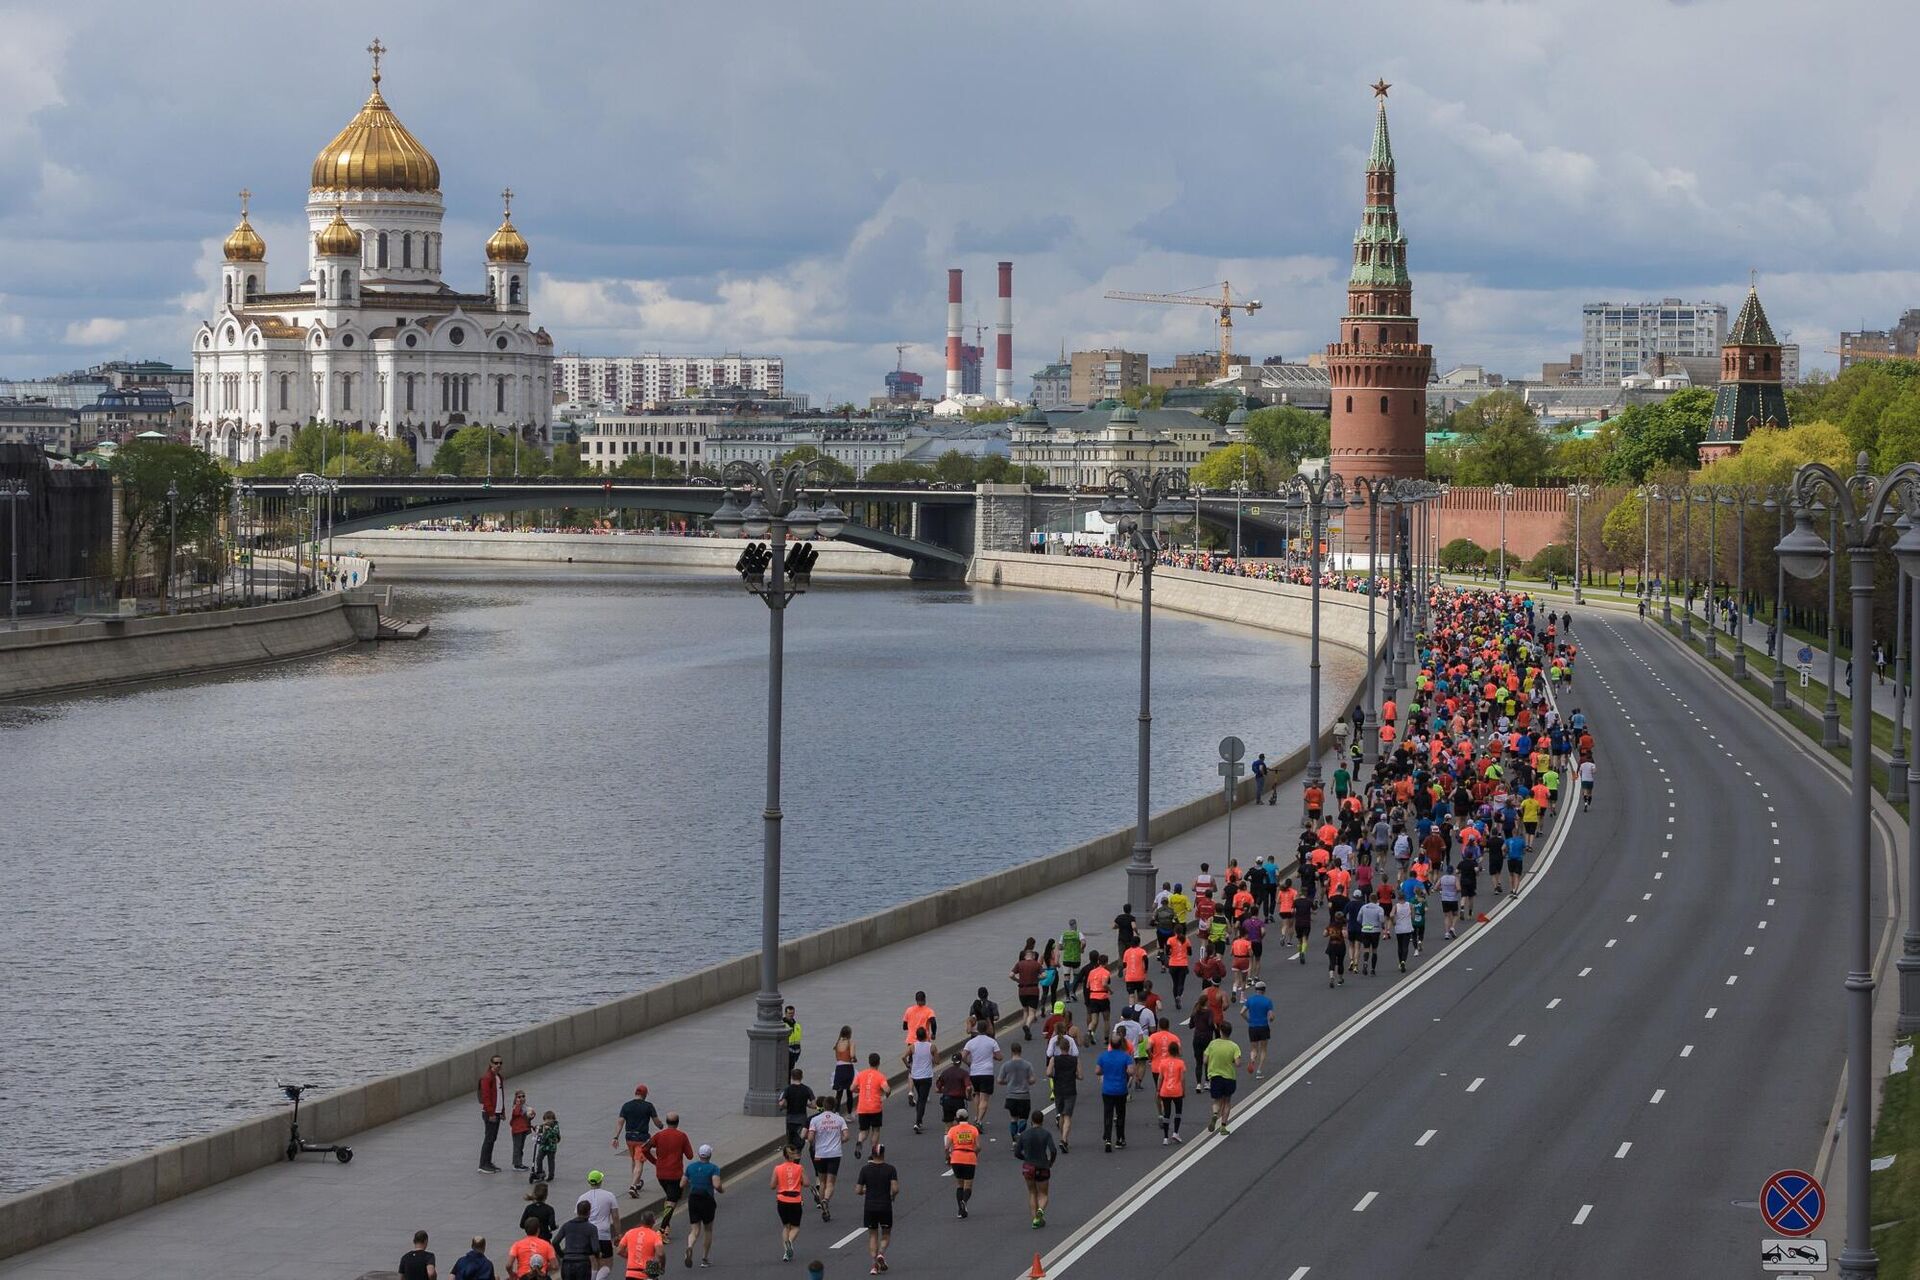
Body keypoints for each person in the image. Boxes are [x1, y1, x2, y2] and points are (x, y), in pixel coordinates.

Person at [642, 1114, 696, 1238]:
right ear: (677, 1123)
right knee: (672, 1201)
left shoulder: (659, 1135)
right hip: (675, 1174)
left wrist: (655, 1161)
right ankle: (661, 1230)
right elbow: (690, 1156)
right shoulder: (682, 1136)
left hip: (661, 1174)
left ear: (666, 1122)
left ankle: (667, 1226)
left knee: (670, 1198)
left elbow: (644, 1149)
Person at [854, 1144, 899, 1274]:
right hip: (885, 1206)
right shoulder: (890, 1169)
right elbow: (895, 1189)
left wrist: (865, 1191)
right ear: (883, 1154)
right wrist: (892, 1196)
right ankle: (881, 1253)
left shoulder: (865, 1170)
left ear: (872, 1155)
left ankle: (874, 1265)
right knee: (885, 1233)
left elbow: (857, 1190)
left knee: (873, 1235)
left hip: (870, 1207)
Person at [611, 1085, 659, 1199]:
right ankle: (633, 1186)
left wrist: (615, 1137)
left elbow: (620, 1122)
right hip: (641, 1139)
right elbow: (657, 1122)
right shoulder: (648, 1106)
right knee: (639, 1163)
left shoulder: (626, 1106)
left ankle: (637, 1182)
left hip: (629, 1138)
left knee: (633, 1160)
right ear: (645, 1094)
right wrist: (661, 1125)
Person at [1014, 1109, 1059, 1228]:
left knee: (1032, 1192)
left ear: (1031, 1121)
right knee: (1043, 1194)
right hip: (1043, 1166)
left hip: (1028, 1167)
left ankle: (1035, 1220)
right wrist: (1050, 1162)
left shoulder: (1024, 1135)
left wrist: (1025, 1158)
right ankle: (1041, 1210)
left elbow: (1017, 1152)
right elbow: (1053, 1150)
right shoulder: (1046, 1134)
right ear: (1042, 1121)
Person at [806, 1097, 849, 1222]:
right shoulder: (839, 1119)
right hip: (834, 1154)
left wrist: (815, 1143)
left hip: (820, 1154)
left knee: (822, 1181)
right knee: (831, 1182)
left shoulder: (815, 1120)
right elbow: (846, 1136)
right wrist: (838, 1141)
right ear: (834, 1106)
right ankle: (826, 1200)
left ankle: (822, 1204)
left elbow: (810, 1137)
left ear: (823, 1106)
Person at [682, 1143, 723, 1269]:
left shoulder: (690, 1167)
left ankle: (689, 1246)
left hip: (693, 1198)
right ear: (710, 1155)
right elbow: (716, 1185)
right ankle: (704, 1259)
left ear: (699, 1155)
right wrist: (721, 1190)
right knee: (708, 1229)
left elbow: (682, 1184)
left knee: (694, 1230)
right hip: (707, 1200)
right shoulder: (713, 1168)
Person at [1096, 1032, 1134, 1152]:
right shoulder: (1125, 1056)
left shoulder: (1103, 1056)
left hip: (1107, 1089)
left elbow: (1097, 1071)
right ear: (1121, 1044)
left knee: (1108, 1114)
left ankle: (1108, 1138)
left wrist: (1105, 1071)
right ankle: (1119, 1138)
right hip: (1121, 1089)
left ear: (1110, 1044)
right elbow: (1131, 1072)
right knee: (1120, 1114)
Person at [1204, 1021, 1242, 1135]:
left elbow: (1205, 1060)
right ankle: (1223, 1126)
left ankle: (1215, 1114)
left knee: (1217, 1100)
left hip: (1215, 1076)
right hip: (1229, 1077)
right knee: (1227, 1101)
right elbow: (1238, 1063)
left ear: (1220, 1031)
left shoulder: (1212, 1044)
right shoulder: (1234, 1046)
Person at [1046, 1027, 1079, 1152]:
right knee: (1068, 1116)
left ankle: (1062, 1137)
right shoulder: (1074, 1060)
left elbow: (1048, 1073)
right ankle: (1064, 1139)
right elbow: (1080, 1076)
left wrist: (1054, 1072)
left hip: (1058, 1089)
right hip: (1070, 1089)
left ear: (1059, 1047)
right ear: (1069, 1047)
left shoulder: (1055, 1059)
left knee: (1060, 1115)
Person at [581, 1171, 622, 1273]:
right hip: (604, 1235)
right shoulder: (609, 1196)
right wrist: (618, 1234)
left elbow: (579, 1218)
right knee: (607, 1265)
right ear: (601, 1181)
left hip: (588, 1236)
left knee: (593, 1265)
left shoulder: (582, 1198)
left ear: (588, 1182)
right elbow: (615, 1217)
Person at [851, 1052, 890, 1159]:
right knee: (876, 1130)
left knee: (863, 1131)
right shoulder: (880, 1076)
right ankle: (873, 1152)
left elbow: (852, 1088)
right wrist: (886, 1094)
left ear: (869, 1062)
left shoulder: (861, 1074)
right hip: (875, 1107)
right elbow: (887, 1089)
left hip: (862, 1107)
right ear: (879, 1063)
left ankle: (859, 1142)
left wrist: (860, 1090)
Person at [772, 1145, 807, 1262]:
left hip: (781, 1200)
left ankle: (786, 1253)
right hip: (795, 1200)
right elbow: (806, 1183)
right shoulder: (799, 1168)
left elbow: (772, 1185)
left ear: (783, 1155)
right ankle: (790, 1243)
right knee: (795, 1227)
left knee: (786, 1226)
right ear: (793, 1155)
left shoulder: (777, 1168)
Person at [944, 1106, 981, 1218]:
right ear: (967, 1117)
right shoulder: (973, 1129)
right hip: (969, 1158)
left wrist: (948, 1158)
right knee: (968, 1185)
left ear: (956, 1118)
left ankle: (961, 1211)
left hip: (956, 1158)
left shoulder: (953, 1130)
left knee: (959, 1184)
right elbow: (978, 1147)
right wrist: (975, 1154)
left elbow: (947, 1147)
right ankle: (964, 1202)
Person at [998, 1041, 1037, 1145]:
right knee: (1023, 1118)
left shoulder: (1006, 1065)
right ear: (1021, 1051)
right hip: (1024, 1095)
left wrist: (1008, 1081)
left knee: (1013, 1118)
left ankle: (1014, 1141)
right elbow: (1033, 1079)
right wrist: (1026, 1081)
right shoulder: (1027, 1065)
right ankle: (1020, 1134)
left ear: (1011, 1052)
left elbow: (999, 1080)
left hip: (1011, 1095)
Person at [962, 1020, 1002, 1120]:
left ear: (977, 1029)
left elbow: (963, 1056)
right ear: (987, 1029)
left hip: (974, 1072)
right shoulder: (992, 1042)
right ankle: (979, 1121)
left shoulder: (970, 1042)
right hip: (987, 1072)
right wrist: (993, 1056)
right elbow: (1000, 1057)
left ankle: (976, 1116)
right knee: (984, 1098)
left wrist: (969, 1063)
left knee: (976, 1095)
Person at [903, 1024, 936, 1133]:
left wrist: (908, 1065)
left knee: (920, 1097)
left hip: (915, 1076)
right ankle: (918, 1122)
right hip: (926, 1076)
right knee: (922, 1099)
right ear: (926, 1035)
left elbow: (903, 1057)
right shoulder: (931, 1046)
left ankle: (919, 1120)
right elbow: (938, 1061)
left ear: (916, 1036)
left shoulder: (912, 1046)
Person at [1155, 1035, 1187, 1144]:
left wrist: (1158, 1090)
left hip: (1165, 1090)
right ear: (1177, 1051)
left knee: (1167, 1113)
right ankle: (1176, 1133)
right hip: (1177, 1090)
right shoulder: (1180, 1063)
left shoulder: (1163, 1062)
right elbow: (1182, 1078)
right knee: (1178, 1112)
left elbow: (1160, 1077)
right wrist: (1184, 1090)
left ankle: (1165, 1137)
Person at [479, 1055, 508, 1173]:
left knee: (492, 1138)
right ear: (491, 1064)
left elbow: (500, 1096)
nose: (498, 1065)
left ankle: (488, 1162)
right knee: (489, 1138)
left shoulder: (498, 1077)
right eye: (496, 1063)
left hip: (497, 1112)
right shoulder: (487, 1078)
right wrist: (491, 1113)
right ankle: (483, 1164)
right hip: (490, 1113)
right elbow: (486, 1097)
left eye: (500, 1063)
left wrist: (502, 1111)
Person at [615, 1211, 663, 1280]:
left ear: (641, 1221)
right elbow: (660, 1254)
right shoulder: (655, 1235)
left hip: (630, 1274)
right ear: (654, 1222)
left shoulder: (630, 1232)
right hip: (647, 1274)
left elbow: (619, 1251)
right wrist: (662, 1266)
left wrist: (632, 1256)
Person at [1242, 980, 1274, 1077]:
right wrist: (1271, 1019)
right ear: (1264, 990)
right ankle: (1259, 1070)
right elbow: (1271, 1016)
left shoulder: (1250, 1000)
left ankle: (1252, 1060)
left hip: (1252, 1027)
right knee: (1263, 1049)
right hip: (1263, 1026)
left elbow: (1241, 1012)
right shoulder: (1267, 1001)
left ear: (1255, 990)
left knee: (1254, 1048)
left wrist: (1248, 1020)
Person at [781, 1069, 815, 1154]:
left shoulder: (787, 1089)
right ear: (802, 1077)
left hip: (790, 1119)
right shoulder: (807, 1089)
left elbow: (782, 1103)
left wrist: (786, 1105)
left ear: (791, 1077)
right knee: (800, 1140)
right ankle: (797, 1157)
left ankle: (791, 1157)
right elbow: (814, 1105)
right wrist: (806, 1104)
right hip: (802, 1119)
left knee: (790, 1141)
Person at [831, 1026, 858, 1115]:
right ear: (849, 1034)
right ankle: (849, 1114)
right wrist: (854, 1058)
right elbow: (852, 1055)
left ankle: (836, 1112)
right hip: (848, 1068)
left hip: (838, 1068)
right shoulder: (850, 1043)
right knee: (849, 1092)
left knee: (839, 1093)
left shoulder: (837, 1043)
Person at [532, 1111, 561, 1185]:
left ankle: (551, 1175)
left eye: (549, 1119)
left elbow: (555, 1133)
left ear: (553, 1119)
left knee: (550, 1161)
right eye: (545, 1119)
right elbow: (539, 1131)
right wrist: (536, 1128)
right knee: (538, 1159)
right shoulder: (544, 1125)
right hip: (543, 1146)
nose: (547, 1121)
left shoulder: (555, 1126)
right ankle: (540, 1172)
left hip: (551, 1147)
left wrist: (549, 1129)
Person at [510, 1091, 536, 1172]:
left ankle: (519, 1163)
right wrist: (518, 1104)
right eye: (519, 1097)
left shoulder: (526, 1107)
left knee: (521, 1147)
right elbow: (516, 1113)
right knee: (517, 1147)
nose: (521, 1098)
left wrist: (532, 1115)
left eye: (523, 1096)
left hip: (523, 1129)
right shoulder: (516, 1107)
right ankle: (516, 1164)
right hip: (517, 1130)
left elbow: (527, 1118)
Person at [785, 1005, 803, 1075]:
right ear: (785, 1014)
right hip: (786, 1054)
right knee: (785, 1073)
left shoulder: (797, 1025)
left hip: (794, 1054)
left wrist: (798, 1053)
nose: (791, 1015)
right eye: (789, 1013)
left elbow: (798, 1040)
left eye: (792, 1013)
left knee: (789, 1073)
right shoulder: (783, 1025)